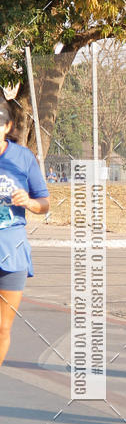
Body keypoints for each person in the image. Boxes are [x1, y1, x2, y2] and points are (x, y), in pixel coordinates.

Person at [0, 97, 50, 366]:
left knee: (2, 328)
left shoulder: (22, 158)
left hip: (12, 253)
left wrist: (29, 202)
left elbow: (44, 202)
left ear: (7, 126)